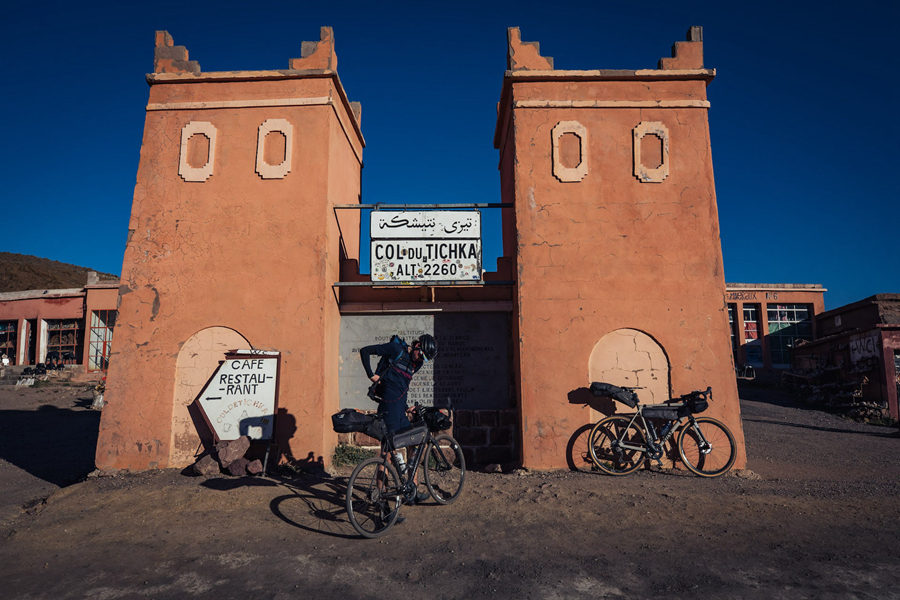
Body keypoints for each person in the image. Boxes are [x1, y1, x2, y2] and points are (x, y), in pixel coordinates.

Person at [359, 333, 438, 505]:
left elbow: (400, 388)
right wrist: (371, 375)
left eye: (425, 358)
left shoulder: (415, 365)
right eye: (422, 354)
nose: (421, 360)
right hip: (388, 412)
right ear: (417, 346)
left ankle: (412, 491)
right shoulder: (396, 350)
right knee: (386, 456)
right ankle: (381, 498)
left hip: (400, 412)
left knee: (415, 443)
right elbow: (365, 351)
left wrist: (407, 407)